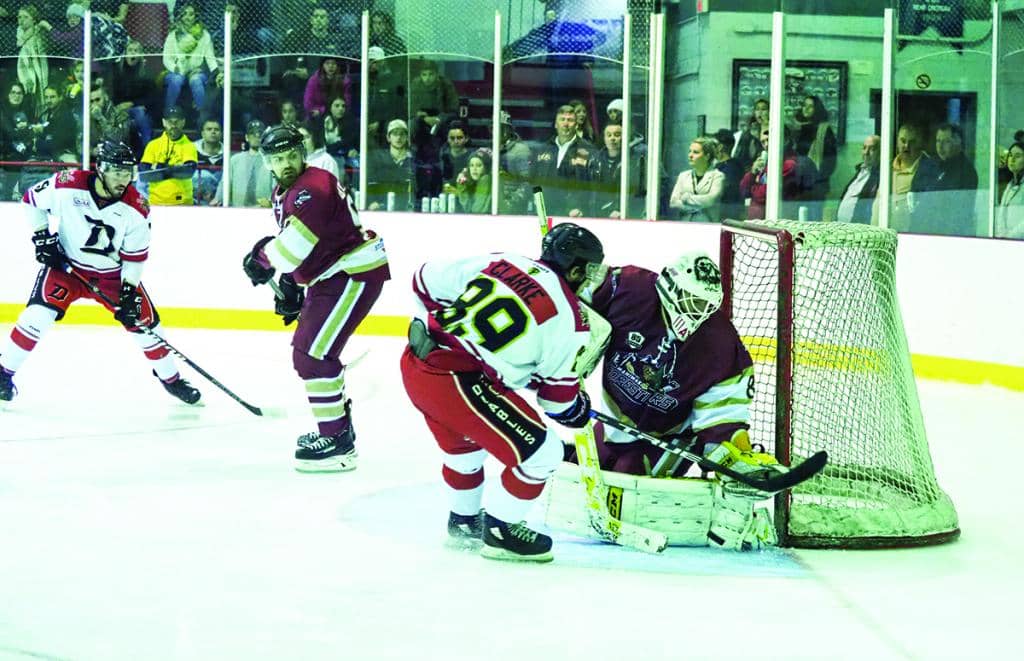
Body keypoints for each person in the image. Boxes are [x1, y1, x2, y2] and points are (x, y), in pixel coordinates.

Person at [399, 222, 605, 562]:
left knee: (465, 450)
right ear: (578, 268)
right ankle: (501, 529)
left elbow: (423, 280)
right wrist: (577, 408)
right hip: (458, 380)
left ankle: (464, 521)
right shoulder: (571, 319)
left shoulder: (504, 261)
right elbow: (557, 402)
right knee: (544, 454)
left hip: (417, 363)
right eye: (590, 270)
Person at [548, 252, 781, 550]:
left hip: (670, 437)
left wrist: (739, 457)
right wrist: (559, 265)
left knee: (626, 483)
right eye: (693, 301)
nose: (698, 313)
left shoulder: (722, 347)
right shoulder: (629, 290)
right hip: (616, 419)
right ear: (669, 287)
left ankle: (749, 522)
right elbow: (572, 286)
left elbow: (723, 422)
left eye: (707, 306)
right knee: (578, 469)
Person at [0, 141, 201, 406]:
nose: (123, 179)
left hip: (113, 277)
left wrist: (128, 289)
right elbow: (31, 200)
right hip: (67, 267)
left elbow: (135, 257)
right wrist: (41, 238)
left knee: (147, 328)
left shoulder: (137, 208)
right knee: (37, 316)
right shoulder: (67, 183)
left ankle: (172, 380)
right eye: (117, 171)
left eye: (127, 172)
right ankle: (4, 373)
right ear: (100, 168)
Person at [242, 125, 390, 472]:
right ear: (268, 163)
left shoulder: (311, 189)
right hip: (333, 275)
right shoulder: (291, 189)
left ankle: (338, 443)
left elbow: (292, 250)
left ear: (302, 153)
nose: (287, 162)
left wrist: (262, 259)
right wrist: (293, 283)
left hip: (351, 274)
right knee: (310, 353)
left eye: (292, 154)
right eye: (278, 158)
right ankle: (337, 432)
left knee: (312, 354)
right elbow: (303, 246)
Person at [909, 123, 979, 236]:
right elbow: (915, 196)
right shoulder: (932, 165)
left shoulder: (966, 172)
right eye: (938, 141)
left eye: (946, 142)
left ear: (958, 143)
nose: (940, 146)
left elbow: (959, 214)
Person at [138, 106, 198, 206]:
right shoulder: (153, 145)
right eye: (170, 122)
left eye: (177, 121)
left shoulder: (189, 146)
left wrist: (160, 170)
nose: (173, 125)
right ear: (164, 122)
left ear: (183, 122)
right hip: (155, 203)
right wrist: (175, 170)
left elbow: (187, 172)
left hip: (182, 203)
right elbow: (144, 175)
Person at [873, 123, 927, 230]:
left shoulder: (928, 170)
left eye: (912, 142)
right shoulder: (886, 167)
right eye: (903, 141)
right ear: (897, 142)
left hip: (910, 238)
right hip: (878, 236)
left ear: (920, 144)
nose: (906, 146)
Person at [211, 119, 273, 207]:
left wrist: (272, 202)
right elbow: (225, 183)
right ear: (247, 137)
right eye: (252, 133)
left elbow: (277, 186)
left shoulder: (271, 159)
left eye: (260, 133)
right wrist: (218, 198)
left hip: (264, 210)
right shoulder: (235, 160)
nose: (257, 135)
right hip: (238, 210)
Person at [669, 136, 725, 222]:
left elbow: (711, 200)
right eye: (689, 151)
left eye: (695, 152)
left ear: (707, 156)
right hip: (684, 226)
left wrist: (686, 198)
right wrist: (698, 209)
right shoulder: (683, 176)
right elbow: (673, 202)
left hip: (707, 226)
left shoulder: (717, 176)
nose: (690, 155)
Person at [836, 135, 881, 223]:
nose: (866, 152)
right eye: (864, 148)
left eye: (871, 149)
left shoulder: (880, 176)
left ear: (880, 152)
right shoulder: (859, 171)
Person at [713, 129, 745, 221]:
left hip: (725, 218)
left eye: (713, 145)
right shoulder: (729, 167)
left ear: (720, 147)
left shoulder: (730, 169)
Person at [996, 141, 1024, 239]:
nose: (1012, 159)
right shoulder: (1009, 185)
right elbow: (1001, 216)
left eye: (1018, 156)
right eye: (1011, 155)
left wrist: (1010, 237)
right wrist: (1002, 237)